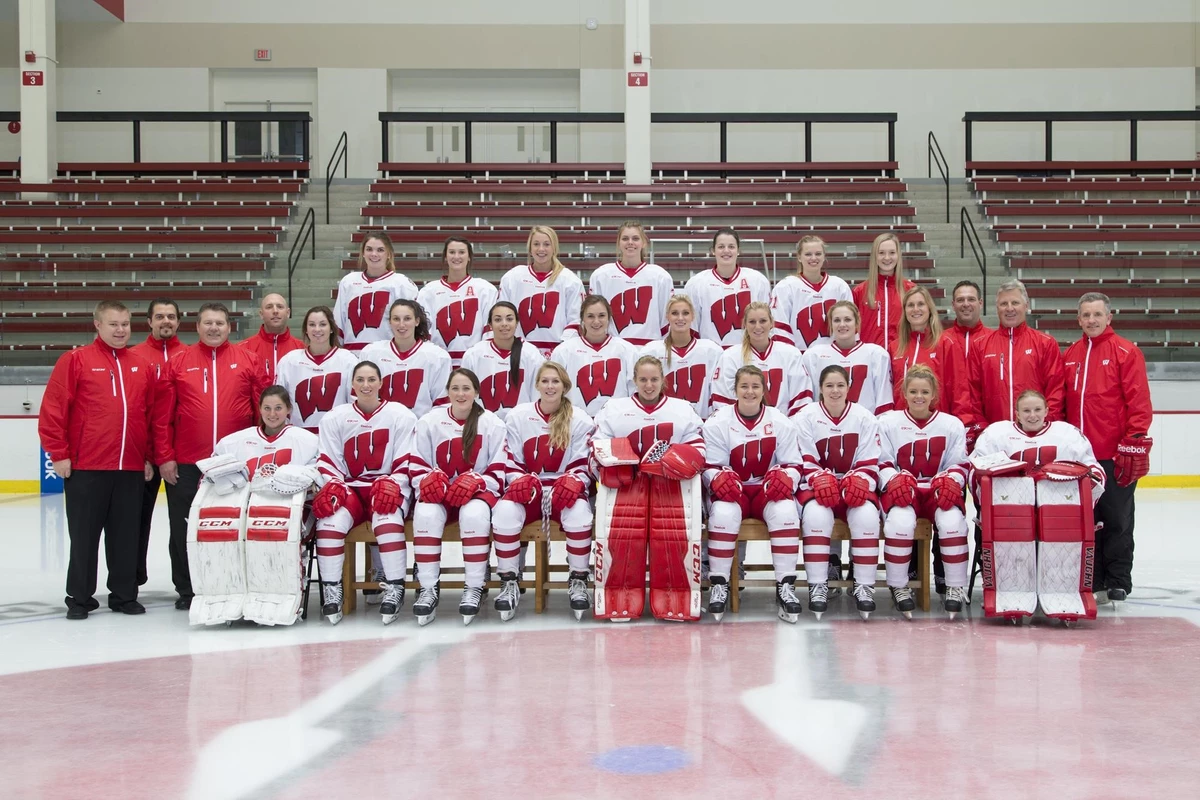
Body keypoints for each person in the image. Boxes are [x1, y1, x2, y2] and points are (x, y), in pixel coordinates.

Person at [39, 300, 156, 619]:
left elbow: (146, 415)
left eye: (125, 324)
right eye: (113, 324)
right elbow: (53, 409)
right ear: (98, 325)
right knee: (84, 537)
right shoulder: (76, 360)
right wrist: (59, 454)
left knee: (126, 536)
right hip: (86, 467)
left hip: (129, 467)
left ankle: (123, 595)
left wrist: (146, 457)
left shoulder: (140, 364)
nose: (120, 330)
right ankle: (79, 598)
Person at [154, 302, 270, 610]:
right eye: (208, 323)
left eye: (219, 323)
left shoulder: (248, 360)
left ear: (229, 327)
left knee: (234, 525)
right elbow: (163, 415)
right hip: (188, 462)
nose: (214, 328)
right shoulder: (178, 363)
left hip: (234, 464)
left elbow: (263, 412)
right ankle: (188, 588)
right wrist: (165, 456)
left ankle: (233, 581)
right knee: (184, 527)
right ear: (197, 327)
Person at [971, 390, 1106, 620]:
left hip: (1056, 514)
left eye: (1037, 410)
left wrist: (1080, 488)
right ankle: (1006, 589)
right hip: (1012, 513)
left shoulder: (1068, 434)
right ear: (1017, 414)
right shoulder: (996, 434)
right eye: (1026, 411)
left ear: (1046, 411)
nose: (1032, 415)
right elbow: (975, 472)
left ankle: (1064, 588)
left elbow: (1095, 472)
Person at [592, 355, 707, 621]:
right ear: (634, 380)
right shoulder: (614, 409)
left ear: (663, 380)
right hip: (627, 486)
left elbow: (699, 448)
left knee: (672, 543)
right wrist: (617, 461)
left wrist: (674, 460)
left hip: (670, 486)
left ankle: (674, 602)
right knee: (621, 540)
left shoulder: (681, 409)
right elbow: (598, 444)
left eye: (654, 379)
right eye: (643, 379)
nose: (648, 385)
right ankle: (616, 600)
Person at [1063, 292, 1153, 602]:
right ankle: (1094, 578)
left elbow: (1139, 404)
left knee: (1117, 519)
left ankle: (1117, 580)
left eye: (1097, 314)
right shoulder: (1071, 355)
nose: (1091, 320)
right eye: (1085, 315)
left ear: (1109, 317)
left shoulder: (1126, 353)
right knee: (1088, 520)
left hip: (1114, 455)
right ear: (1078, 319)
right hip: (1080, 458)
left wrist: (1134, 443)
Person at [312, 361, 418, 625]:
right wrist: (334, 484)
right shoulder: (335, 417)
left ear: (381, 383)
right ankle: (331, 589)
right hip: (352, 488)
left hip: (386, 486)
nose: (366, 385)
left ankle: (394, 587)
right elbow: (328, 459)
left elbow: (407, 456)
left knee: (388, 517)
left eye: (371, 379)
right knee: (329, 521)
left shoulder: (399, 414)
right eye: (360, 380)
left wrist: (394, 482)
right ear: (352, 385)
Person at [407, 368, 513, 626]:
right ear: (448, 392)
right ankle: (428, 587)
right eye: (455, 388)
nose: (461, 393)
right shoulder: (430, 421)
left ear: (476, 392)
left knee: (474, 514)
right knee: (425, 512)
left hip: (476, 495)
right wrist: (428, 480)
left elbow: (499, 471)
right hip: (441, 493)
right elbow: (416, 464)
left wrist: (477, 481)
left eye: (466, 388)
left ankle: (474, 586)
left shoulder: (492, 423)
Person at [491, 362, 596, 621]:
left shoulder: (579, 418)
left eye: (555, 381)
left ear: (564, 386)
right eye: (545, 381)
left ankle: (579, 578)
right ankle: (509, 580)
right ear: (536, 385)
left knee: (581, 513)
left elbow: (584, 462)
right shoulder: (518, 416)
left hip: (562, 487)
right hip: (531, 489)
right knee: (504, 511)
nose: (550, 386)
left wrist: (575, 481)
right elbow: (510, 458)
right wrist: (519, 480)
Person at [701, 365, 804, 623]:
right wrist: (716, 477)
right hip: (732, 492)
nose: (749, 391)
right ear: (734, 390)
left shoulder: (779, 420)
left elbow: (794, 464)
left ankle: (786, 585)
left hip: (764, 490)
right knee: (723, 514)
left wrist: (787, 477)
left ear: (763, 390)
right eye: (744, 386)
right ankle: (719, 584)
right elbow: (709, 466)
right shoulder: (718, 421)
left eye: (755, 386)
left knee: (785, 511)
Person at [877, 366, 971, 619]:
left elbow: (959, 463)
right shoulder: (887, 422)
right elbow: (881, 461)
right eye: (913, 391)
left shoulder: (951, 424)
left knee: (953, 523)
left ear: (934, 395)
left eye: (925, 392)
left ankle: (954, 586)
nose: (919, 396)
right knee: (899, 523)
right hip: (903, 489)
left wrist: (952, 480)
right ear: (904, 393)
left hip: (936, 489)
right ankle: (899, 586)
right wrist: (893, 479)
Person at [794, 365, 883, 620]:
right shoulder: (805, 416)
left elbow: (870, 460)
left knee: (866, 515)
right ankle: (817, 585)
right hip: (816, 487)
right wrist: (819, 478)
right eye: (829, 386)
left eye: (840, 385)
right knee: (816, 516)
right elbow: (803, 459)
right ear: (820, 388)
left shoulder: (864, 416)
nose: (835, 391)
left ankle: (864, 585)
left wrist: (860, 479)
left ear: (849, 387)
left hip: (851, 485)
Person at [963, 279, 1066, 444]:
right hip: (994, 436)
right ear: (997, 308)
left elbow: (1055, 390)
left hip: (1035, 435)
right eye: (1004, 303)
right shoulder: (980, 345)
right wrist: (982, 428)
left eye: (1015, 302)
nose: (1009, 308)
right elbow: (973, 393)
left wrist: (1045, 426)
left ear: (1026, 306)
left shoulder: (1045, 343)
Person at [129, 297, 184, 587]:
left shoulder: (188, 355)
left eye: (171, 316)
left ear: (179, 321)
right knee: (136, 523)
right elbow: (134, 411)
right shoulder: (134, 357)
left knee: (181, 524)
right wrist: (145, 455)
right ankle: (132, 580)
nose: (166, 322)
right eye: (160, 316)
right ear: (149, 321)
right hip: (146, 458)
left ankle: (184, 584)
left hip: (181, 457)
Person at [497, 225, 585, 357]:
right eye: (536, 244)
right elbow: (501, 316)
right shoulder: (512, 278)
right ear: (530, 248)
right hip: (519, 354)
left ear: (554, 247)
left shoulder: (569, 280)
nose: (541, 249)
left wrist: (560, 351)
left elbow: (576, 320)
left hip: (557, 355)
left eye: (546, 244)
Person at [588, 221, 675, 345]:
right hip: (613, 348)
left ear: (643, 242)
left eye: (635, 238)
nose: (630, 242)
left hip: (650, 349)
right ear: (618, 243)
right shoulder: (601, 276)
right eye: (625, 238)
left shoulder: (660, 277)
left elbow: (666, 320)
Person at [798, 300, 893, 414]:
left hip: (864, 426)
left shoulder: (876, 354)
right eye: (837, 320)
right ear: (831, 324)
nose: (842, 324)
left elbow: (884, 401)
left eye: (847, 319)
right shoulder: (813, 356)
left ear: (857, 323)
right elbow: (809, 402)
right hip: (824, 426)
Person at [710, 302, 805, 416]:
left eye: (763, 321)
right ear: (745, 324)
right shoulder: (730, 356)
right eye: (752, 322)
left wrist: (785, 427)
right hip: (740, 429)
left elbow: (800, 400)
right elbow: (722, 402)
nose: (758, 326)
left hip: (781, 429)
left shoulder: (791, 354)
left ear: (771, 323)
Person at [275, 306, 359, 433]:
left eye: (323, 324)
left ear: (331, 328)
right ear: (306, 330)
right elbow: (278, 402)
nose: (317, 329)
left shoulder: (348, 360)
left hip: (336, 437)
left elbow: (355, 404)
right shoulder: (289, 361)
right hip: (299, 437)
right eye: (312, 325)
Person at [416, 236, 497, 367]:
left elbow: (490, 331)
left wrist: (482, 360)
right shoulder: (429, 291)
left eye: (461, 252)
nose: (456, 256)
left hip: (474, 364)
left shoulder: (485, 289)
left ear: (469, 256)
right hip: (438, 363)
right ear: (445, 257)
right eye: (452, 252)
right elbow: (423, 332)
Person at [361, 299, 451, 418]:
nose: (401, 324)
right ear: (390, 322)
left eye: (407, 318)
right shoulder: (372, 353)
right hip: (382, 427)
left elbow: (441, 404)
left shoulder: (437, 356)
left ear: (417, 321)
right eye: (396, 319)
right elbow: (362, 397)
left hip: (419, 429)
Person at [683, 227, 772, 348]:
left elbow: (766, 322)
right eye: (721, 247)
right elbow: (692, 326)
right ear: (713, 250)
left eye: (731, 246)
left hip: (748, 353)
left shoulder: (757, 280)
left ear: (738, 250)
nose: (726, 251)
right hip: (711, 354)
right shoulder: (696, 283)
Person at [551, 294, 638, 416]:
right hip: (574, 422)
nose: (596, 321)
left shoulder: (627, 350)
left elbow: (635, 390)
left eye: (601, 316)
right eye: (590, 316)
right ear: (582, 319)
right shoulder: (563, 351)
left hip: (615, 421)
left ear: (609, 318)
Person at [639, 294, 723, 419]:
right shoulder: (652, 351)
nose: (680, 318)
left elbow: (718, 393)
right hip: (664, 422)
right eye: (674, 313)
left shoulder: (711, 351)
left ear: (693, 316)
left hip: (701, 424)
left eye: (685, 313)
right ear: (667, 316)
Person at [890, 285, 969, 416]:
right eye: (910, 305)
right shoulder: (894, 347)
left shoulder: (946, 343)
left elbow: (959, 389)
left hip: (936, 423)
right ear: (904, 311)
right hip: (901, 425)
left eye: (921, 304)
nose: (915, 309)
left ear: (929, 309)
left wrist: (964, 423)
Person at [334, 232, 420, 352]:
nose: (374, 254)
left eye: (380, 250)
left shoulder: (401, 283)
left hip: (387, 355)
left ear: (389, 254)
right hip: (353, 355)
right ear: (363, 253)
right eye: (369, 249)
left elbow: (414, 324)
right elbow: (339, 322)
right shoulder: (348, 282)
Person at [460, 301, 544, 420]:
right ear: (490, 324)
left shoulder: (531, 354)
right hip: (482, 425)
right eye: (498, 320)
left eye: (509, 319)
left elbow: (537, 396)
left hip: (521, 425)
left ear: (517, 323)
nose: (504, 324)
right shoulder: (474, 354)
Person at [770, 234, 853, 352]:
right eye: (808, 254)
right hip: (799, 357)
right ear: (799, 257)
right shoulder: (785, 287)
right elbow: (779, 327)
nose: (813, 258)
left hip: (833, 358)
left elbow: (851, 324)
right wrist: (790, 356)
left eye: (818, 254)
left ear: (824, 256)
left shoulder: (839, 286)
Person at [852, 231, 915, 354]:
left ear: (898, 255)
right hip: (869, 359)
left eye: (892, 253)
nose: (887, 258)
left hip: (901, 357)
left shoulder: (910, 290)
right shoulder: (859, 291)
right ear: (875, 256)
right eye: (881, 253)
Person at [239, 292, 303, 382]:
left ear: (288, 313)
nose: (275, 311)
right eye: (269, 307)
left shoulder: (302, 349)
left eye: (280, 307)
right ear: (261, 314)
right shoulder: (243, 350)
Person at [942, 280, 991, 362]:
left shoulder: (992, 340)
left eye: (971, 299)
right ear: (953, 305)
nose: (966, 304)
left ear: (980, 303)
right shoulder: (941, 340)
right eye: (960, 300)